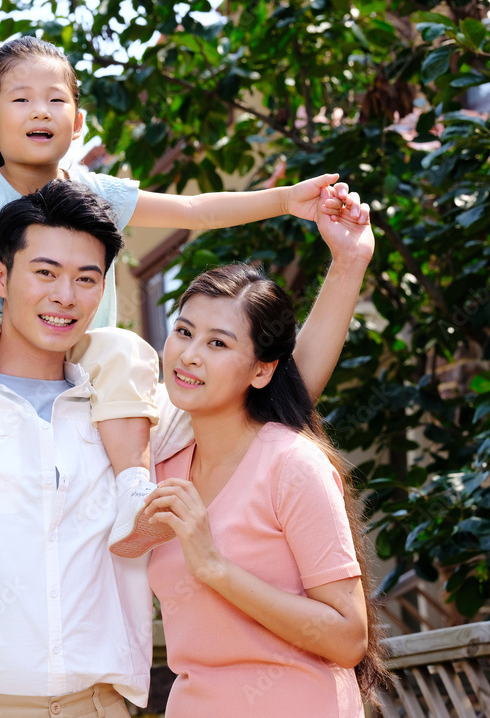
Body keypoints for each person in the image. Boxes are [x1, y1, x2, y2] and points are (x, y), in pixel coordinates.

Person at [0, 116, 374, 713]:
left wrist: (347, 264)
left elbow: (278, 390)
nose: (64, 296)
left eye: (85, 278)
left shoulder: (135, 414)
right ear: (0, 276)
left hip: (102, 708)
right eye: (44, 273)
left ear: (104, 289)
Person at [0, 35, 370, 557]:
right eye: (22, 99)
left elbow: (192, 209)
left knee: (127, 353)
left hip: (84, 352)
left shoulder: (97, 195)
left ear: (78, 121)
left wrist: (287, 198)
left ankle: (134, 490)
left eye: (57, 99)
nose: (41, 110)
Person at [143, 261, 390, 716]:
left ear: (261, 371)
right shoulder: (159, 465)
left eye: (217, 342)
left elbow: (348, 637)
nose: (190, 354)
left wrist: (214, 567)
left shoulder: (292, 464)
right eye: (183, 331)